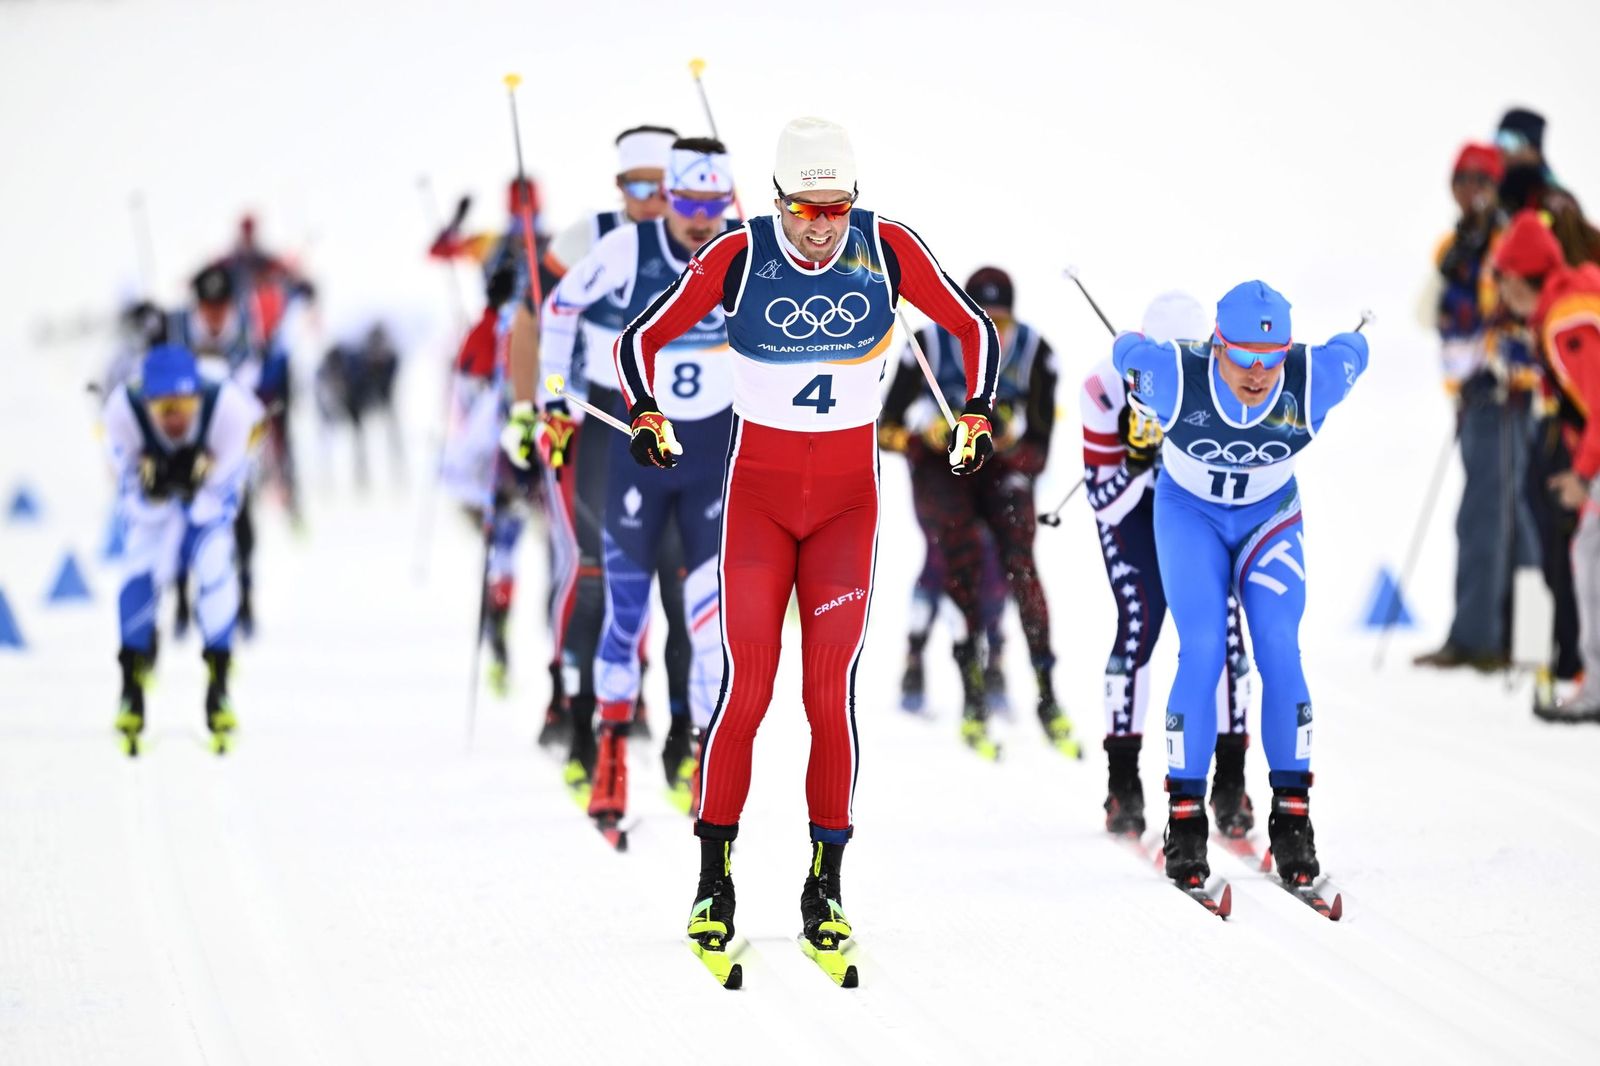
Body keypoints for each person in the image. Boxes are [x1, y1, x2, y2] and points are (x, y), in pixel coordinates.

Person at [609, 116, 998, 967]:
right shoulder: (739, 256)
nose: (822, 226)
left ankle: (826, 887)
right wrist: (646, 412)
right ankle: (714, 880)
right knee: (746, 689)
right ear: (778, 200)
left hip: (846, 509)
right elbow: (639, 339)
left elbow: (975, 329)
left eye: (836, 207)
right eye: (806, 209)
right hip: (758, 502)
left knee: (829, 695)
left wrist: (977, 411)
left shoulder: (886, 248)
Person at [502, 136, 740, 836]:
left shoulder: (736, 247)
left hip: (705, 444)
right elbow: (541, 310)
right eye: (653, 190)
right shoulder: (604, 240)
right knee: (610, 589)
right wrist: (542, 403)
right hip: (615, 429)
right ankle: (592, 735)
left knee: (698, 608)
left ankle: (687, 750)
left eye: (701, 199)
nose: (661, 204)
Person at [1112, 281, 1368, 890]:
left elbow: (1354, 349)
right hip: (1189, 517)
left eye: (1271, 357)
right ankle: (1186, 824)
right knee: (1202, 650)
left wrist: (1360, 333)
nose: (1258, 373)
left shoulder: (1313, 380)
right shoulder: (1175, 374)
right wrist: (1139, 393)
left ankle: (1293, 822)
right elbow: (1128, 352)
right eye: (1243, 357)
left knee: (1279, 648)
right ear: (1215, 346)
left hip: (1269, 520)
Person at [509, 125, 688, 749]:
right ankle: (564, 693)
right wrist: (527, 407)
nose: (655, 199)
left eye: (666, 185)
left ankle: (630, 692)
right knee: (588, 564)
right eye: (640, 186)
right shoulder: (592, 237)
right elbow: (532, 319)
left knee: (650, 563)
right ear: (620, 186)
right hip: (592, 414)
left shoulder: (706, 235)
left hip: (673, 418)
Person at [880, 266, 1074, 759]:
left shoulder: (1035, 353)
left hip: (1001, 468)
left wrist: (1011, 442)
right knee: (955, 560)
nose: (992, 331)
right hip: (943, 471)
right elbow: (885, 430)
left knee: (1019, 564)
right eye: (980, 319)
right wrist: (923, 436)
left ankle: (1044, 692)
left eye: (1001, 321)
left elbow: (1041, 448)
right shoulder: (928, 346)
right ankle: (967, 692)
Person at [1081, 292, 1254, 837]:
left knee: (1225, 633)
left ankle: (1230, 781)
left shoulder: (1222, 381)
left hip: (1197, 513)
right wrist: (1137, 461)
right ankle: (1123, 783)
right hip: (1133, 516)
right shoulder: (1103, 387)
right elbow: (1103, 501)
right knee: (1140, 622)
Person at [1414, 143, 1543, 672]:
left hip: (1503, 396)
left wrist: (1506, 363)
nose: (1471, 189)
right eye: (1462, 179)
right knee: (1516, 516)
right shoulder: (1455, 245)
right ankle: (1529, 641)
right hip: (1471, 399)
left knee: (1486, 516)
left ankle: (1478, 640)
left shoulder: (1511, 241)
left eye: (1481, 180)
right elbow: (1427, 315)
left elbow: (1521, 312)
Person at [103, 343, 264, 755]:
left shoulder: (229, 410)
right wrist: (153, 494)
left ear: (198, 395)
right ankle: (131, 686)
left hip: (208, 508)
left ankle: (219, 686)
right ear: (146, 401)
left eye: (183, 405)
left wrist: (192, 490)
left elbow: (227, 498)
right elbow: (126, 497)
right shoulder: (123, 413)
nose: (174, 419)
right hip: (152, 518)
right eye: (163, 409)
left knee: (215, 569)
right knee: (138, 571)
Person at [1492, 210, 1600, 719]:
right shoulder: (1576, 295)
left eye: (1502, 277)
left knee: (1590, 554)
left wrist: (1583, 475)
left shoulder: (1565, 321)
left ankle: (1595, 689)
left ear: (1516, 278)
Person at [167, 264, 295, 637]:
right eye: (208, 306)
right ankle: (181, 601)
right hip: (186, 440)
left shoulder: (245, 330)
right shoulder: (179, 330)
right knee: (180, 519)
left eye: (221, 305)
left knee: (240, 519)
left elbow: (251, 383)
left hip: (229, 439)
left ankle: (244, 598)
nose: (215, 314)